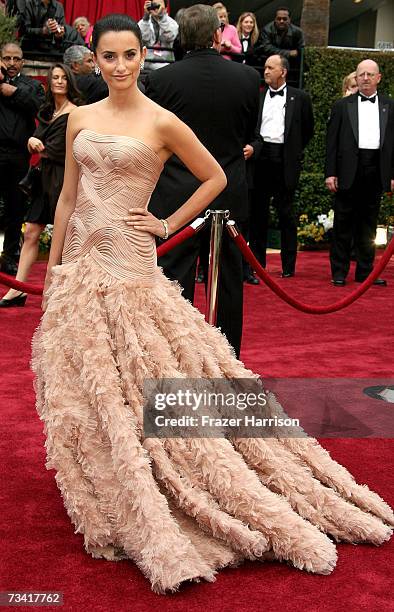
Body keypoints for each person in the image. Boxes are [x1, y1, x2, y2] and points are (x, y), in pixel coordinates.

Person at [30, 13, 393, 595]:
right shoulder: (79, 120)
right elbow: (69, 195)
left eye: (129, 56)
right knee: (88, 379)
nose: (119, 66)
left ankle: (169, 481)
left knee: (148, 371)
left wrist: (167, 221)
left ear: (142, 57)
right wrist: (53, 272)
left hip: (129, 264)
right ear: (93, 60)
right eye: (109, 57)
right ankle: (107, 477)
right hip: (79, 266)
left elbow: (215, 176)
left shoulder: (162, 120)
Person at [146, 4, 260, 356]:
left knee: (171, 283)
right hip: (227, 192)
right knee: (227, 284)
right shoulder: (248, 79)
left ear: (181, 37)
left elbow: (152, 140)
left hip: (175, 198)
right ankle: (227, 361)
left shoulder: (161, 80)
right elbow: (246, 133)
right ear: (216, 35)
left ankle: (171, 361)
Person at [0, 63, 79, 306]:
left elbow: (58, 149)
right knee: (32, 232)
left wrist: (35, 142)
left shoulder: (76, 113)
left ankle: (59, 292)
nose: (58, 81)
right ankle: (18, 289)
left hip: (63, 179)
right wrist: (32, 143)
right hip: (43, 179)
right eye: (54, 77)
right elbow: (38, 144)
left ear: (70, 82)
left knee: (64, 238)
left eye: (63, 77)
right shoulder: (46, 112)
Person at [325, 59, 394, 286]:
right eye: (361, 74)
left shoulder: (389, 106)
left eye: (369, 74)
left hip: (376, 169)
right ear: (356, 77)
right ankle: (339, 272)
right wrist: (330, 173)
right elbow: (332, 143)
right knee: (343, 223)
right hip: (347, 170)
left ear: (378, 78)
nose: (365, 78)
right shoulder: (341, 106)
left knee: (369, 224)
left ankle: (366, 272)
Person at [248, 54, 314, 277]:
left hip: (286, 159)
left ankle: (288, 267)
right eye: (265, 67)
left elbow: (307, 131)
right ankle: (257, 265)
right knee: (258, 214)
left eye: (270, 67)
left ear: (283, 72)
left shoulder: (301, 98)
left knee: (286, 214)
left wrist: (292, 151)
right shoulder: (257, 97)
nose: (265, 71)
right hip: (261, 158)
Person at [0, 41, 45, 276]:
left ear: (23, 61)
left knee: (15, 209)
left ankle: (9, 258)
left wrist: (14, 92)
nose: (11, 63)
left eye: (16, 59)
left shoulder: (31, 86)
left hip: (18, 155)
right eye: (7, 58)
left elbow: (40, 107)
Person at [138, 0, 178, 71]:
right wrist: (146, 18)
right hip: (146, 63)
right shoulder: (143, 22)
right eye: (154, 5)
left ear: (165, 8)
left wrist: (162, 19)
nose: (156, 8)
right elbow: (144, 38)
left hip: (166, 63)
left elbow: (169, 37)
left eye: (158, 6)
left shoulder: (172, 23)